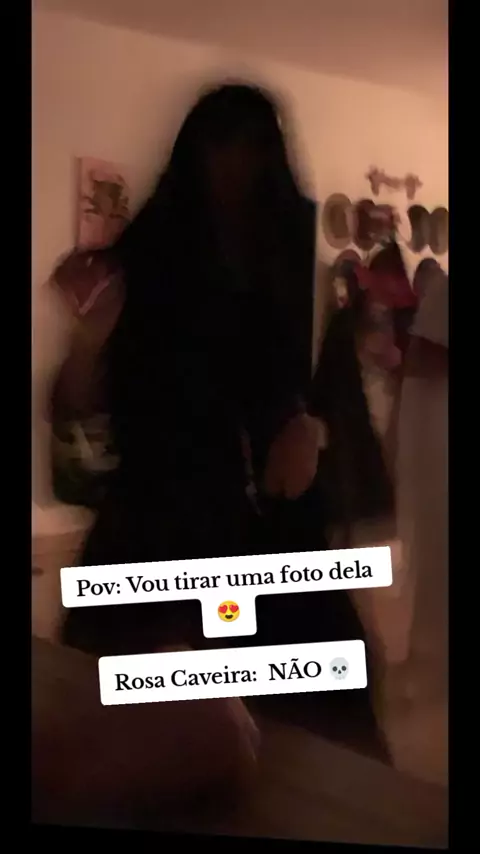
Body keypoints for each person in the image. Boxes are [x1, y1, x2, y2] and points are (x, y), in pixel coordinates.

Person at [54, 83, 325, 657]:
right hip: (159, 513)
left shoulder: (286, 266)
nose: (235, 165)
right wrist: (88, 340)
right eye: (223, 143)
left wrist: (306, 427)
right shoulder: (149, 258)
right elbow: (79, 414)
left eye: (252, 147)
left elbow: (304, 387)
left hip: (257, 517)